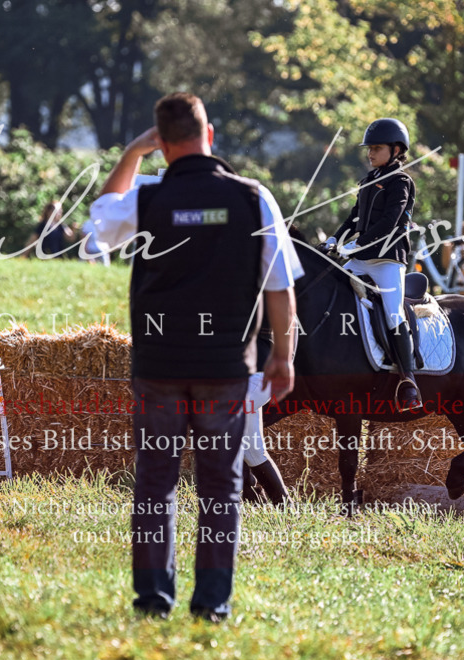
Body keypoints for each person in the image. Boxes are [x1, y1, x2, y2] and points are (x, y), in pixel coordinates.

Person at [89, 92, 300, 622]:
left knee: (155, 481)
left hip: (159, 367)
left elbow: (99, 222)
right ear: (211, 136)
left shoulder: (148, 198)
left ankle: (153, 600)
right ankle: (211, 604)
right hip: (225, 368)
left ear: (161, 145)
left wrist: (132, 155)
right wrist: (283, 356)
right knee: (220, 487)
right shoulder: (255, 198)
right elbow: (279, 287)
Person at [322, 117, 421, 411]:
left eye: (376, 148)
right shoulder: (368, 181)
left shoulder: (401, 182)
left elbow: (390, 221)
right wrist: (333, 239)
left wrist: (358, 243)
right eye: (369, 149)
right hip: (362, 260)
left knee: (393, 315)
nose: (370, 153)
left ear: (395, 150)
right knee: (334, 295)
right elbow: (354, 217)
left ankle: (409, 381)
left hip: (388, 260)